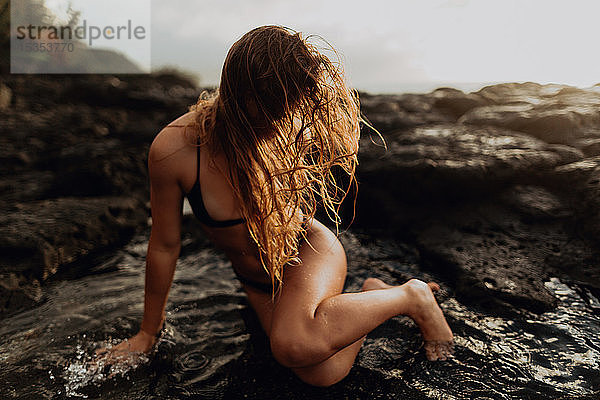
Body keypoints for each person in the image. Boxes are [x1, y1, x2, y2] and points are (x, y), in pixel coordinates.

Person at [98, 25, 454, 387]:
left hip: (308, 254)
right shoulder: (175, 151)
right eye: (267, 112)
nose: (278, 122)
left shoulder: (290, 120)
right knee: (322, 373)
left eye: (287, 109)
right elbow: (164, 245)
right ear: (239, 96)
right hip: (257, 285)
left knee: (295, 345)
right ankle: (376, 296)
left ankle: (413, 295)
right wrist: (147, 334)